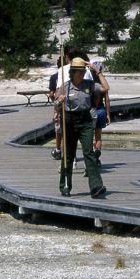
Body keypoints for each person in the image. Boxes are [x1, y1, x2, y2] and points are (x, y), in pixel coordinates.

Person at [56, 57, 109, 198]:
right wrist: (59, 101)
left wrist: (97, 71)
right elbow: (56, 104)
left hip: (85, 120)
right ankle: (65, 186)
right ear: (72, 72)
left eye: (82, 71)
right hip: (69, 120)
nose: (80, 74)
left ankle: (96, 187)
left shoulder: (89, 85)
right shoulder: (65, 86)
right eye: (77, 72)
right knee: (68, 154)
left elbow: (105, 88)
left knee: (89, 153)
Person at [51, 48, 93, 161]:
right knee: (82, 142)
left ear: (68, 58)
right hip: (82, 109)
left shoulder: (63, 70)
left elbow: (57, 92)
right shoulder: (87, 70)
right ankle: (76, 162)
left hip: (69, 109)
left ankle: (67, 157)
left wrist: (56, 111)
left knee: (65, 136)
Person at [91, 61, 110, 166]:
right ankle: (97, 157)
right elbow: (107, 99)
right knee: (98, 136)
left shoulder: (89, 82)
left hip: (90, 111)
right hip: (101, 110)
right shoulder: (102, 83)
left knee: (89, 136)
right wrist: (108, 114)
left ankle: (91, 156)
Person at [49, 57, 63, 160]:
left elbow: (51, 93)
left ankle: (58, 149)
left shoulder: (54, 77)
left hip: (58, 105)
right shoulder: (70, 75)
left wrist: (54, 99)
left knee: (58, 130)